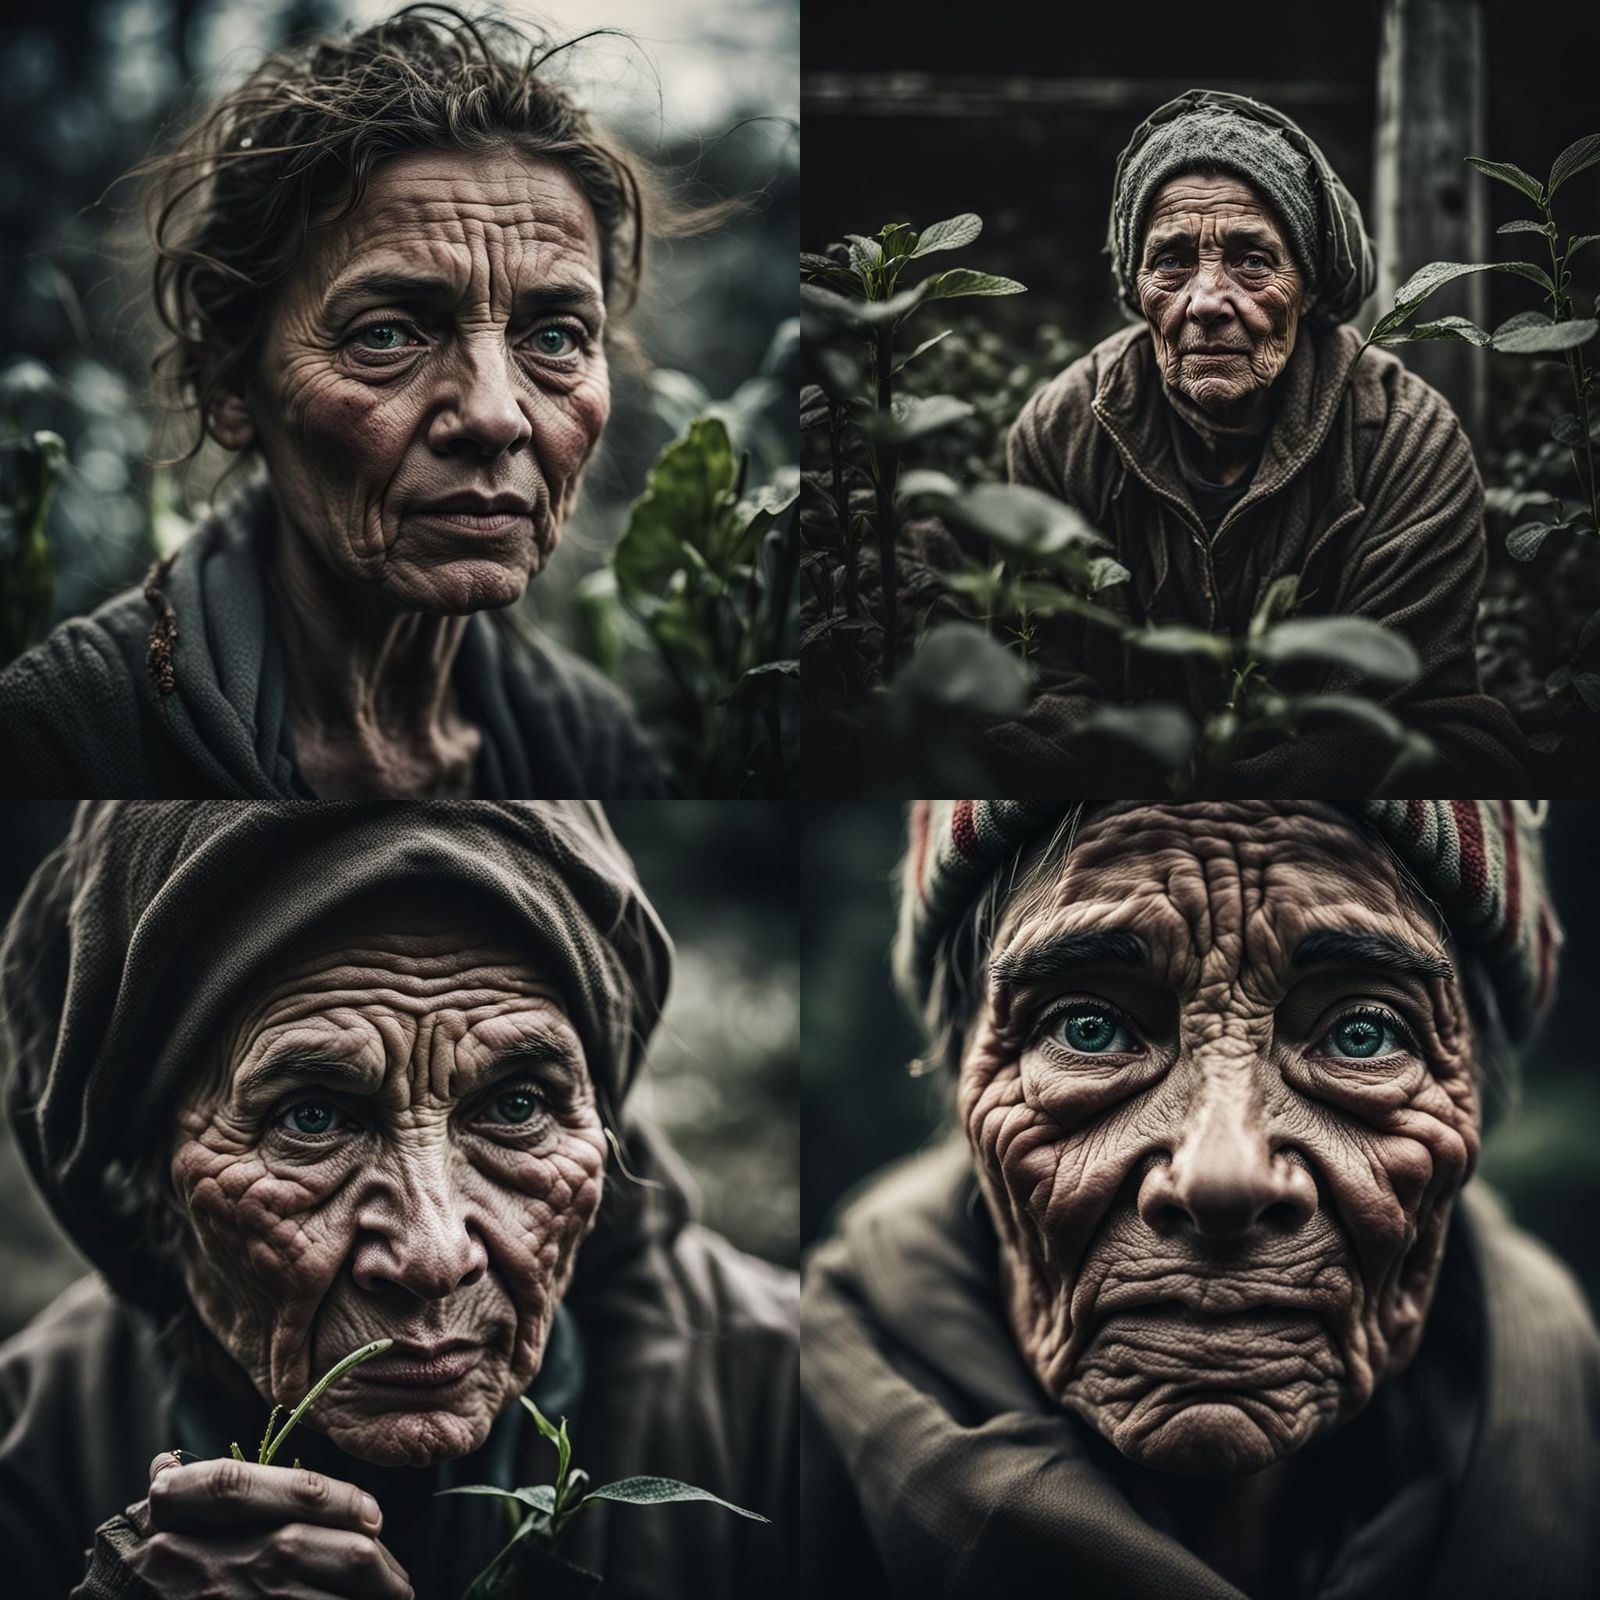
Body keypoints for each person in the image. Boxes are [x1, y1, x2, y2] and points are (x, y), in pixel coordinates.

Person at [803, 799, 1597, 1598]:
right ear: (961, 1075)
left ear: (1477, 1103)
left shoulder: (1575, 1436)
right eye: (1088, 1028)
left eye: (1364, 1033)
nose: (1224, 1175)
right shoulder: (776, 1447)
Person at [0, 802, 796, 1597]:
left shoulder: (786, 1402)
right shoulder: (28, 1445)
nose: (435, 1255)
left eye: (517, 1105)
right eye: (309, 1117)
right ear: (142, 1169)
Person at [0, 7, 674, 799]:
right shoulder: (56, 742)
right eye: (386, 335)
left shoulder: (599, 751)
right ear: (228, 380)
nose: (496, 417)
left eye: (555, 339)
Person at [907, 91, 1528, 793]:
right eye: (1171, 261)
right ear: (1137, 286)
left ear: (1308, 284)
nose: (1206, 300)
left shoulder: (1408, 441)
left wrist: (1208, 795)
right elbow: (1045, 677)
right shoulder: (1062, 429)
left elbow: (1392, 712)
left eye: (1252, 260)